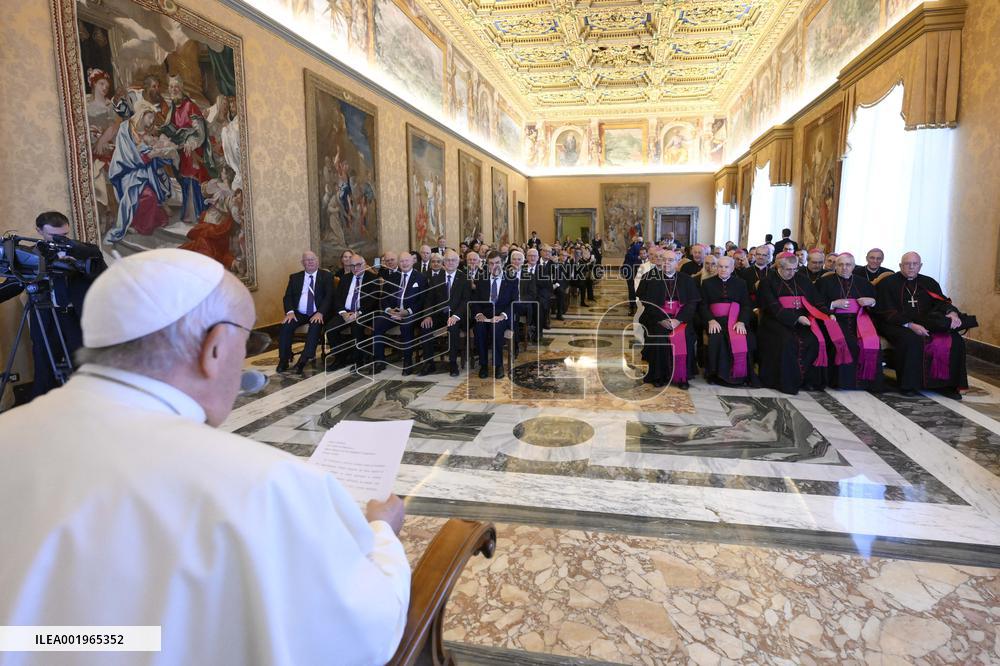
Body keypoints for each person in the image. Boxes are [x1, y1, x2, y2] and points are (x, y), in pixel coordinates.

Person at [0, 249, 410, 664]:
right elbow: (360, 633)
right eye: (249, 343)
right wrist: (383, 533)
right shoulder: (265, 484)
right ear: (214, 349)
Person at [0, 211, 107, 399]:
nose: (60, 240)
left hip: (76, 317)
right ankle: (45, 408)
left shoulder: (87, 251)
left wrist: (77, 267)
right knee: (44, 366)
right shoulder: (30, 256)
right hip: (46, 317)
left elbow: (105, 279)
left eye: (64, 235)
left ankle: (90, 404)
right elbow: (13, 285)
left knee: (86, 366)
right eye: (54, 235)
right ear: (39, 231)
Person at [875, 252, 970, 399]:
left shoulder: (929, 282)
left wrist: (952, 312)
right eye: (907, 264)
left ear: (920, 266)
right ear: (900, 265)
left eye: (915, 264)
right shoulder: (888, 283)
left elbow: (941, 302)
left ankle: (946, 385)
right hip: (896, 324)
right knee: (912, 340)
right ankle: (909, 385)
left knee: (955, 340)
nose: (911, 267)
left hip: (927, 323)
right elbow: (884, 310)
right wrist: (909, 325)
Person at [757, 252, 830, 395]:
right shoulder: (767, 281)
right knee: (787, 341)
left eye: (794, 269)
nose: (792, 273)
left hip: (803, 320)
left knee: (814, 340)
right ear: (779, 267)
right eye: (788, 269)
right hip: (775, 321)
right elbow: (773, 307)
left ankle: (808, 381)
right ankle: (784, 382)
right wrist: (795, 319)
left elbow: (817, 301)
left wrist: (827, 313)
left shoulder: (803, 280)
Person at [105, 99, 174, 244]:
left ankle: (144, 223)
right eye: (150, 117)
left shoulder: (148, 132)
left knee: (155, 190)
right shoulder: (125, 129)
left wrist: (160, 154)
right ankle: (139, 226)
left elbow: (151, 152)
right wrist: (149, 155)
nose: (151, 121)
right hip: (127, 172)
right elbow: (126, 155)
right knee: (147, 196)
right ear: (142, 115)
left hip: (145, 171)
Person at [817, 253, 883, 391]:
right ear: (835, 266)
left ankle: (868, 383)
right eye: (840, 265)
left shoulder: (863, 283)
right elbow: (816, 303)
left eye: (848, 265)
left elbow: (878, 304)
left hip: (860, 320)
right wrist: (832, 304)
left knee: (871, 340)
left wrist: (872, 302)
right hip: (834, 319)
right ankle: (843, 382)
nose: (844, 268)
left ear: (853, 266)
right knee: (846, 342)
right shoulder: (824, 282)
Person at [637, 250, 699, 389]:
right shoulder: (650, 278)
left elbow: (692, 303)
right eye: (664, 259)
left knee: (686, 338)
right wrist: (660, 319)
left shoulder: (686, 279)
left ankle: (682, 376)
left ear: (678, 262)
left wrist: (679, 320)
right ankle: (658, 375)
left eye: (670, 260)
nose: (666, 263)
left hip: (680, 319)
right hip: (658, 318)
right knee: (658, 338)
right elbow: (646, 302)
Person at [159, 75, 216, 223]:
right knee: (184, 179)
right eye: (171, 87)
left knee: (192, 177)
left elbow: (200, 132)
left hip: (193, 150)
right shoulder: (172, 107)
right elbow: (169, 128)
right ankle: (188, 213)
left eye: (176, 87)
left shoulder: (190, 106)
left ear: (182, 88)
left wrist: (191, 142)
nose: (173, 90)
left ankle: (198, 213)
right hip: (180, 150)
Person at [699, 256, 757, 386]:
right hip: (716, 320)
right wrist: (711, 320)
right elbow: (703, 305)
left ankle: (740, 374)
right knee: (716, 337)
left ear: (732, 268)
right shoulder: (708, 283)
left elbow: (746, 305)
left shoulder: (740, 283)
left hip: (736, 320)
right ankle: (715, 374)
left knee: (744, 337)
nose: (723, 269)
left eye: (726, 267)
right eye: (720, 266)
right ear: (716, 268)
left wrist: (741, 321)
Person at [277, 251, 334, 375]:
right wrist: (290, 312)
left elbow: (329, 297)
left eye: (312, 259)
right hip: (300, 312)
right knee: (286, 326)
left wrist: (320, 313)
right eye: (307, 260)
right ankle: (284, 359)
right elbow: (288, 297)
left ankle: (303, 359)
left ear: (317, 260)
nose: (310, 262)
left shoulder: (326, 276)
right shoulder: (295, 277)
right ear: (302, 263)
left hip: (317, 312)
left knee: (315, 326)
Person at [417, 250, 470, 377]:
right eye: (447, 260)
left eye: (453, 260)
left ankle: (453, 363)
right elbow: (429, 299)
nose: (450, 262)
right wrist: (428, 315)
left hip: (457, 315)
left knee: (453, 327)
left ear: (458, 262)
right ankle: (429, 363)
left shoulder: (464, 278)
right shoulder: (436, 278)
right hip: (439, 315)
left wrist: (455, 316)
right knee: (425, 326)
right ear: (443, 263)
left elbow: (465, 301)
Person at [372, 251, 427, 375]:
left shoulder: (420, 278)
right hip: (393, 312)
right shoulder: (392, 277)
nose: (404, 263)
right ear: (398, 263)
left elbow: (422, 300)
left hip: (411, 313)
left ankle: (407, 362)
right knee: (378, 324)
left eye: (407, 260)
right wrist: (388, 310)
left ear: (413, 261)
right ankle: (379, 361)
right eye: (402, 261)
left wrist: (407, 312)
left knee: (406, 325)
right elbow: (384, 297)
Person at [327, 253, 379, 370]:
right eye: (352, 266)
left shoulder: (373, 279)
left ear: (364, 264)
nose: (355, 268)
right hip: (345, 312)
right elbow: (337, 299)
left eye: (358, 265)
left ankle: (358, 360)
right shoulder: (345, 278)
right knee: (330, 329)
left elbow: (372, 301)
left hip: (364, 312)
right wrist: (343, 313)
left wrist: (357, 313)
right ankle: (340, 358)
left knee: (356, 326)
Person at [473, 251, 517, 379]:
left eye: (497, 263)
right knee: (479, 328)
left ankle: (498, 365)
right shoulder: (481, 279)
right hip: (485, 316)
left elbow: (514, 302)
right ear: (487, 265)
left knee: (496, 329)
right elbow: (474, 300)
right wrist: (479, 314)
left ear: (502, 263)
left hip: (501, 316)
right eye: (491, 263)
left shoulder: (512, 280)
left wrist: (503, 316)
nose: (495, 266)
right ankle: (484, 365)